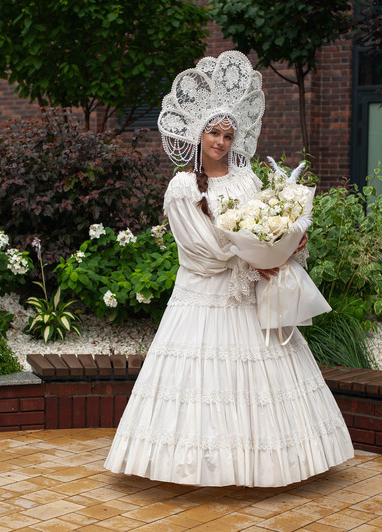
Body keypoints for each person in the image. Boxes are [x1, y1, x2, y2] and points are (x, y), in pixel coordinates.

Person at [104, 51, 354, 487]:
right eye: (213, 133)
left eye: (227, 134)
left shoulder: (247, 179)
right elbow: (201, 252)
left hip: (250, 298)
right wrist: (253, 260)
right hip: (203, 300)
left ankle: (268, 464)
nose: (220, 142)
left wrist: (286, 244)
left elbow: (264, 222)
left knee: (261, 382)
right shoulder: (182, 187)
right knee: (201, 383)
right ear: (198, 133)